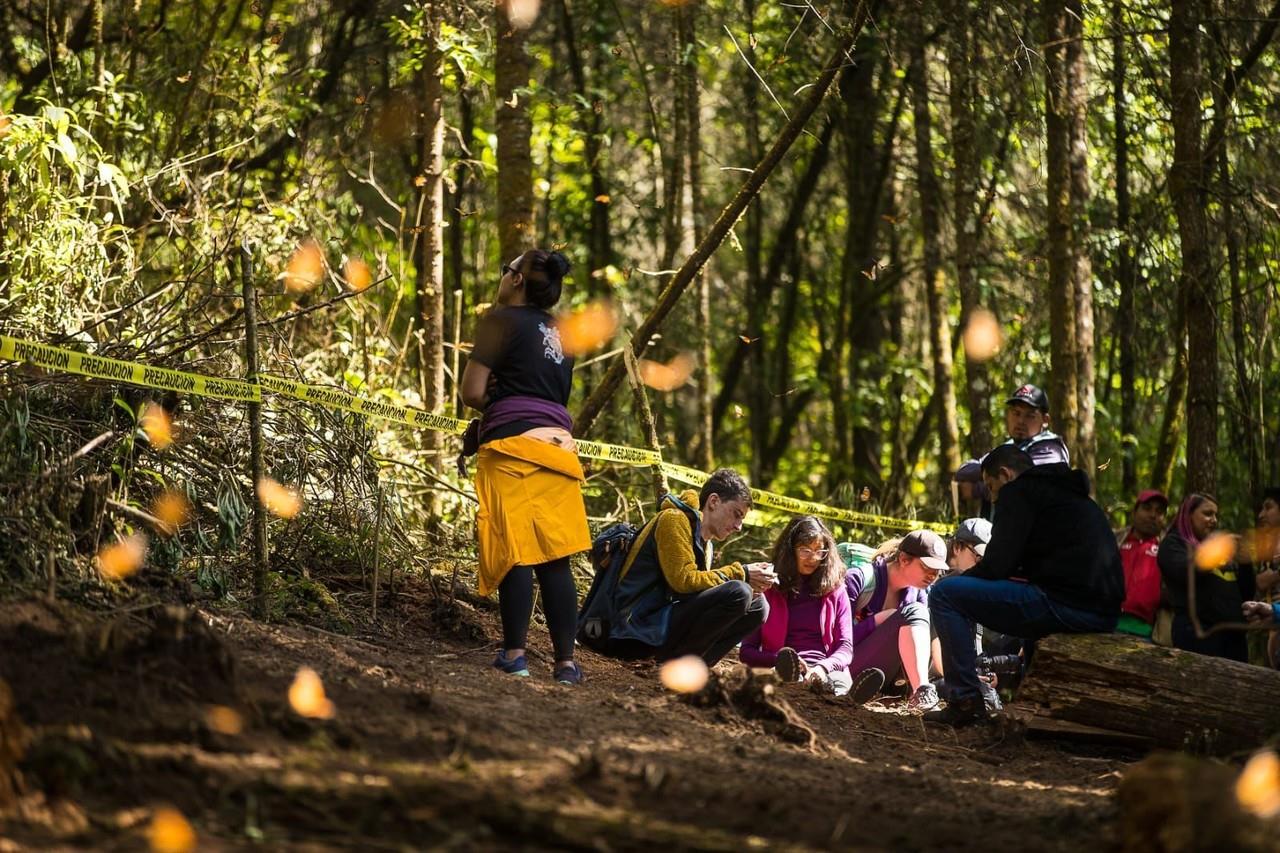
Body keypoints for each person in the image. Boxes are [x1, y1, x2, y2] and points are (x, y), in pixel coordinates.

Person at [460, 249, 590, 685]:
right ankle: (566, 665)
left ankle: (514, 655)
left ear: (517, 280)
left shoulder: (499, 321)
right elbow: (551, 396)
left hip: (513, 447)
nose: (502, 276)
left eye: (506, 270)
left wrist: (494, 398)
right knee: (555, 557)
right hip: (558, 448)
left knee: (516, 549)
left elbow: (472, 392)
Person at [926, 445, 1124, 726]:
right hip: (1102, 612)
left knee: (946, 594)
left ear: (1005, 475)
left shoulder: (1018, 492)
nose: (993, 498)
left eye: (991, 487)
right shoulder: (1064, 495)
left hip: (1067, 605)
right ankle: (1033, 703)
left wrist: (960, 581)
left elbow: (997, 566)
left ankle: (965, 701)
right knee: (1028, 613)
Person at [600, 469, 775, 666]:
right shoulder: (674, 519)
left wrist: (749, 583)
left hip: (659, 627)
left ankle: (696, 666)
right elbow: (682, 581)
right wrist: (741, 573)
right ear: (714, 501)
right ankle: (678, 665)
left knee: (759, 606)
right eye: (736, 514)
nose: (738, 526)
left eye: (741, 519)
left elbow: (693, 594)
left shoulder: (706, 543)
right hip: (630, 633)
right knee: (739, 592)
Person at [739, 516, 864, 697]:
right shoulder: (768, 589)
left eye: (819, 551)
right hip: (782, 666)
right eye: (805, 550)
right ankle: (804, 684)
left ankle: (846, 695)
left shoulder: (836, 589)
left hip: (826, 668)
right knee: (787, 679)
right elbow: (747, 651)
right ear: (790, 551)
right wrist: (782, 660)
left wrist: (822, 668)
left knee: (838, 684)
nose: (813, 558)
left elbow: (845, 648)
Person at [844, 530, 950, 712]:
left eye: (938, 570)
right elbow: (836, 643)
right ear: (903, 559)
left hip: (893, 680)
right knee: (916, 612)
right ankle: (921, 693)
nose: (933, 575)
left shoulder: (920, 592)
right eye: (927, 567)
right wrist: (877, 621)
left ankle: (921, 692)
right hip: (850, 670)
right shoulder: (858, 579)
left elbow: (931, 648)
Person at [1157, 493, 1255, 663]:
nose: (1214, 520)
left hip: (1234, 639)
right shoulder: (1173, 545)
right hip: (1198, 636)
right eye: (1208, 514)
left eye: (1216, 515)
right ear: (1187, 515)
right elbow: (1186, 573)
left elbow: (1246, 594)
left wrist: (1245, 563)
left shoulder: (1217, 549)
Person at [953, 383, 1070, 515]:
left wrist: (976, 489)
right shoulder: (1009, 447)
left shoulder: (1051, 450)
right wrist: (993, 475)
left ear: (1045, 420)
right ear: (1008, 415)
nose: (1020, 421)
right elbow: (963, 471)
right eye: (1016, 413)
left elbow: (1023, 485)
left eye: (1029, 416)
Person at [1114, 489, 1169, 638]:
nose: (1153, 515)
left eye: (1159, 511)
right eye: (1147, 508)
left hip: (1147, 633)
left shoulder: (1168, 548)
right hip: (1106, 623)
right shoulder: (1115, 540)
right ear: (1134, 512)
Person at [1247, 487, 1280, 667]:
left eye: (1268, 508)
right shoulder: (1268, 546)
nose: (1261, 515)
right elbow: (1260, 582)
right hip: (1272, 628)